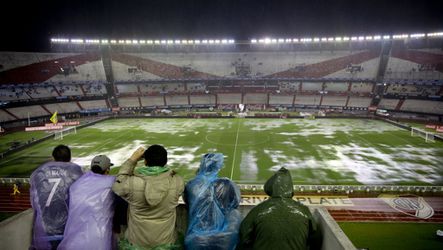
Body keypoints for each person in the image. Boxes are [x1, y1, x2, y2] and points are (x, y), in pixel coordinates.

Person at [112, 145, 184, 249]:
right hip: (166, 241)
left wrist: (132, 160)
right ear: (166, 161)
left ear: (145, 161)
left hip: (137, 242)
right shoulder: (177, 181)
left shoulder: (132, 183)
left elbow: (118, 184)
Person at [237, 167, 318, 250]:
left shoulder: (258, 210)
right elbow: (314, 239)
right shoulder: (304, 211)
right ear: (290, 188)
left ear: (271, 188)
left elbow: (244, 236)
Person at [29, 145, 83, 250]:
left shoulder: (40, 172)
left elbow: (34, 200)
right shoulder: (76, 171)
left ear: (53, 157)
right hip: (69, 224)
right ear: (70, 157)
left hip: (46, 224)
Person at [184, 153, 242, 250]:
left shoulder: (192, 184)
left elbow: (187, 202)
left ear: (202, 165)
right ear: (218, 166)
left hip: (195, 239)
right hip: (223, 239)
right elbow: (235, 204)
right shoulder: (227, 184)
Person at [58, 155, 116, 250]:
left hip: (74, 241)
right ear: (107, 170)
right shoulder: (111, 182)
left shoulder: (77, 184)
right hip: (99, 240)